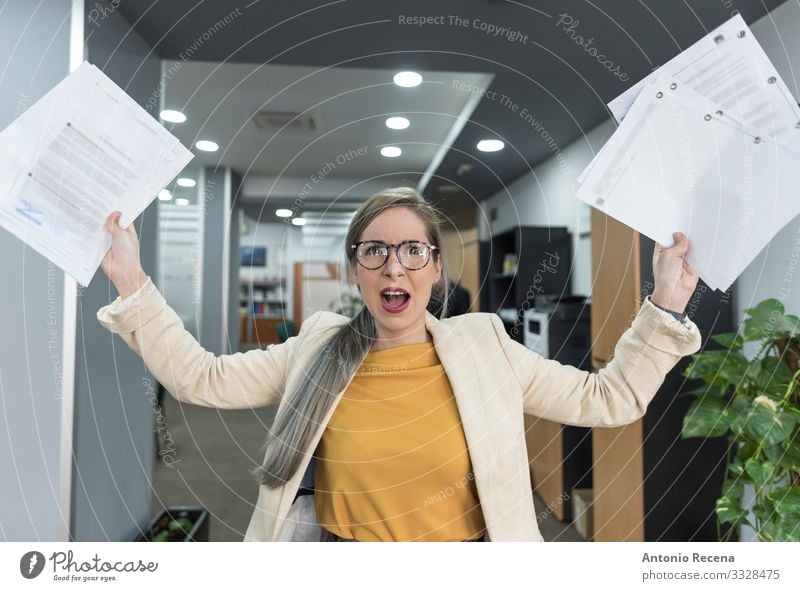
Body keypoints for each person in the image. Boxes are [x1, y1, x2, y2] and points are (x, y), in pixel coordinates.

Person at [97, 187, 701, 542]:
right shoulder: (319, 346)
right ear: (355, 268)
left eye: (414, 250)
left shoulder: (484, 345)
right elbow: (199, 378)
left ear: (436, 269)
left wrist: (666, 303)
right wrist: (130, 281)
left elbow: (609, 398)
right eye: (375, 251)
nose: (395, 266)